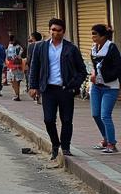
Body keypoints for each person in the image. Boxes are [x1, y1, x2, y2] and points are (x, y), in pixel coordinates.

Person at [28, 18, 88, 165]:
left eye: (59, 30)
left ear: (63, 32)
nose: (55, 33)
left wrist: (74, 85)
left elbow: (82, 71)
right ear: (49, 30)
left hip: (65, 90)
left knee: (66, 120)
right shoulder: (40, 47)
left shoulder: (71, 48)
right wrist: (33, 86)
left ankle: (65, 146)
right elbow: (34, 67)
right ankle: (55, 144)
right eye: (53, 30)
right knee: (48, 119)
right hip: (48, 89)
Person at [89, 23, 120, 154]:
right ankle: (105, 139)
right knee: (95, 114)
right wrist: (93, 74)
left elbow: (118, 67)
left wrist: (106, 77)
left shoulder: (111, 48)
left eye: (95, 34)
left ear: (103, 36)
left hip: (110, 87)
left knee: (105, 115)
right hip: (96, 86)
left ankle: (112, 144)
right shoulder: (93, 48)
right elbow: (94, 65)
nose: (92, 37)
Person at [5, 34, 25, 100]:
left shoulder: (16, 47)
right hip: (16, 65)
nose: (10, 42)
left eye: (11, 41)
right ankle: (17, 94)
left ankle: (17, 95)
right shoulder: (18, 47)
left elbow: (10, 56)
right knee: (16, 81)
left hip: (14, 66)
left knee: (14, 81)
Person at [24, 32, 42, 103]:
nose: (29, 38)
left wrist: (27, 64)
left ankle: (37, 95)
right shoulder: (44, 44)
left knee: (34, 79)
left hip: (33, 66)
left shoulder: (31, 46)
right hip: (42, 66)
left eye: (31, 37)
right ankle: (40, 96)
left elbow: (29, 57)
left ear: (33, 38)